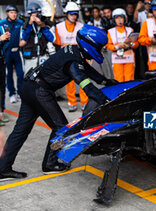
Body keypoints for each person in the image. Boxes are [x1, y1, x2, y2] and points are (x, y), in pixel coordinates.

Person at [0, 25, 118, 181]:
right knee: (61, 128)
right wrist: (106, 100)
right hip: (39, 92)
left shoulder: (73, 50)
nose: (101, 49)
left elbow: (87, 71)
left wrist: (106, 81)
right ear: (91, 44)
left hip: (29, 87)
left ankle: (3, 169)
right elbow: (86, 86)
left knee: (20, 130)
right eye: (100, 46)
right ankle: (50, 164)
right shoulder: (74, 62)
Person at [55, 2, 87, 112]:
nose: (74, 16)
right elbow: (57, 44)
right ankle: (72, 103)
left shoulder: (81, 26)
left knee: (83, 80)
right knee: (69, 81)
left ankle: (84, 102)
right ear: (66, 14)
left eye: (76, 14)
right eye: (72, 14)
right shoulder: (58, 27)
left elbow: (84, 43)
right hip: (65, 58)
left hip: (79, 56)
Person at [20, 2, 55, 75]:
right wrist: (29, 24)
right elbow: (24, 38)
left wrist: (43, 26)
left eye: (37, 14)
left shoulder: (46, 24)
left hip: (43, 55)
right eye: (33, 15)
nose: (35, 17)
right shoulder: (25, 25)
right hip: (30, 57)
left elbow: (52, 39)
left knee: (45, 77)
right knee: (29, 77)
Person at [107, 8, 139, 82]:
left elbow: (136, 45)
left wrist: (130, 43)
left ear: (125, 19)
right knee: (118, 79)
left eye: (121, 18)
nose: (119, 20)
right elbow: (109, 46)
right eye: (117, 18)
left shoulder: (130, 30)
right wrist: (118, 46)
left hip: (129, 58)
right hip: (117, 59)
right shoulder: (110, 31)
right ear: (114, 20)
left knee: (129, 79)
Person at [0, 5, 24, 104]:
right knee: (9, 73)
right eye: (11, 12)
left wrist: (23, 41)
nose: (14, 14)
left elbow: (24, 34)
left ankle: (20, 93)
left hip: (17, 51)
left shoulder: (20, 23)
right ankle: (12, 93)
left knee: (20, 73)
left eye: (15, 12)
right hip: (7, 52)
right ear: (7, 13)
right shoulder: (2, 23)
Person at [0, 27, 10, 125]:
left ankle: (1, 112)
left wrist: (6, 38)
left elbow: (6, 44)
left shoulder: (1, 26)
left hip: (1, 61)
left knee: (2, 88)